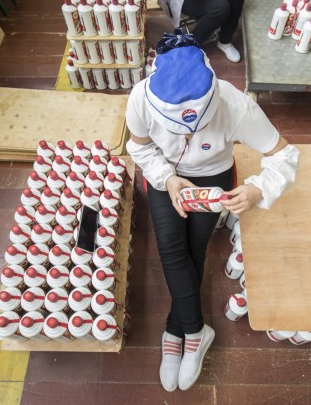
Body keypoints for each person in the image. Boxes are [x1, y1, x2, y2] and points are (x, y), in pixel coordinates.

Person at [125, 32, 300, 391]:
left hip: (212, 175)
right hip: (167, 175)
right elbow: (140, 150)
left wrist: (257, 188)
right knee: (171, 248)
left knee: (195, 246)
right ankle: (195, 329)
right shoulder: (140, 98)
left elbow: (285, 154)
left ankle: (177, 327)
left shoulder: (235, 103)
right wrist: (168, 179)